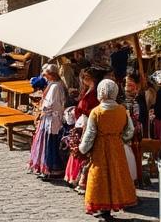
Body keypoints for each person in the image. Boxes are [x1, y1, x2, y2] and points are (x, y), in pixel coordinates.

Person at [79, 78, 138, 220]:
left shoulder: (96, 112)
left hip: (100, 148)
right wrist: (120, 138)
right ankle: (110, 206)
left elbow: (90, 133)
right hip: (116, 147)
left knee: (100, 176)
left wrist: (83, 148)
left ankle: (102, 207)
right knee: (115, 175)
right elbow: (130, 130)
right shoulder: (122, 110)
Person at [64, 68, 106, 191]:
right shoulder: (87, 90)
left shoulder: (95, 93)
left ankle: (81, 179)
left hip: (88, 124)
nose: (83, 79)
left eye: (86, 77)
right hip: (81, 122)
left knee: (83, 151)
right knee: (77, 149)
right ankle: (75, 177)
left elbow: (93, 110)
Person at [29, 64, 67, 178]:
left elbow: (53, 104)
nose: (45, 77)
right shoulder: (53, 84)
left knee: (51, 144)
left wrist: (43, 109)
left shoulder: (56, 86)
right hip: (48, 118)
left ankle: (53, 168)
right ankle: (48, 168)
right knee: (48, 143)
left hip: (52, 118)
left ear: (51, 75)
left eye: (46, 75)